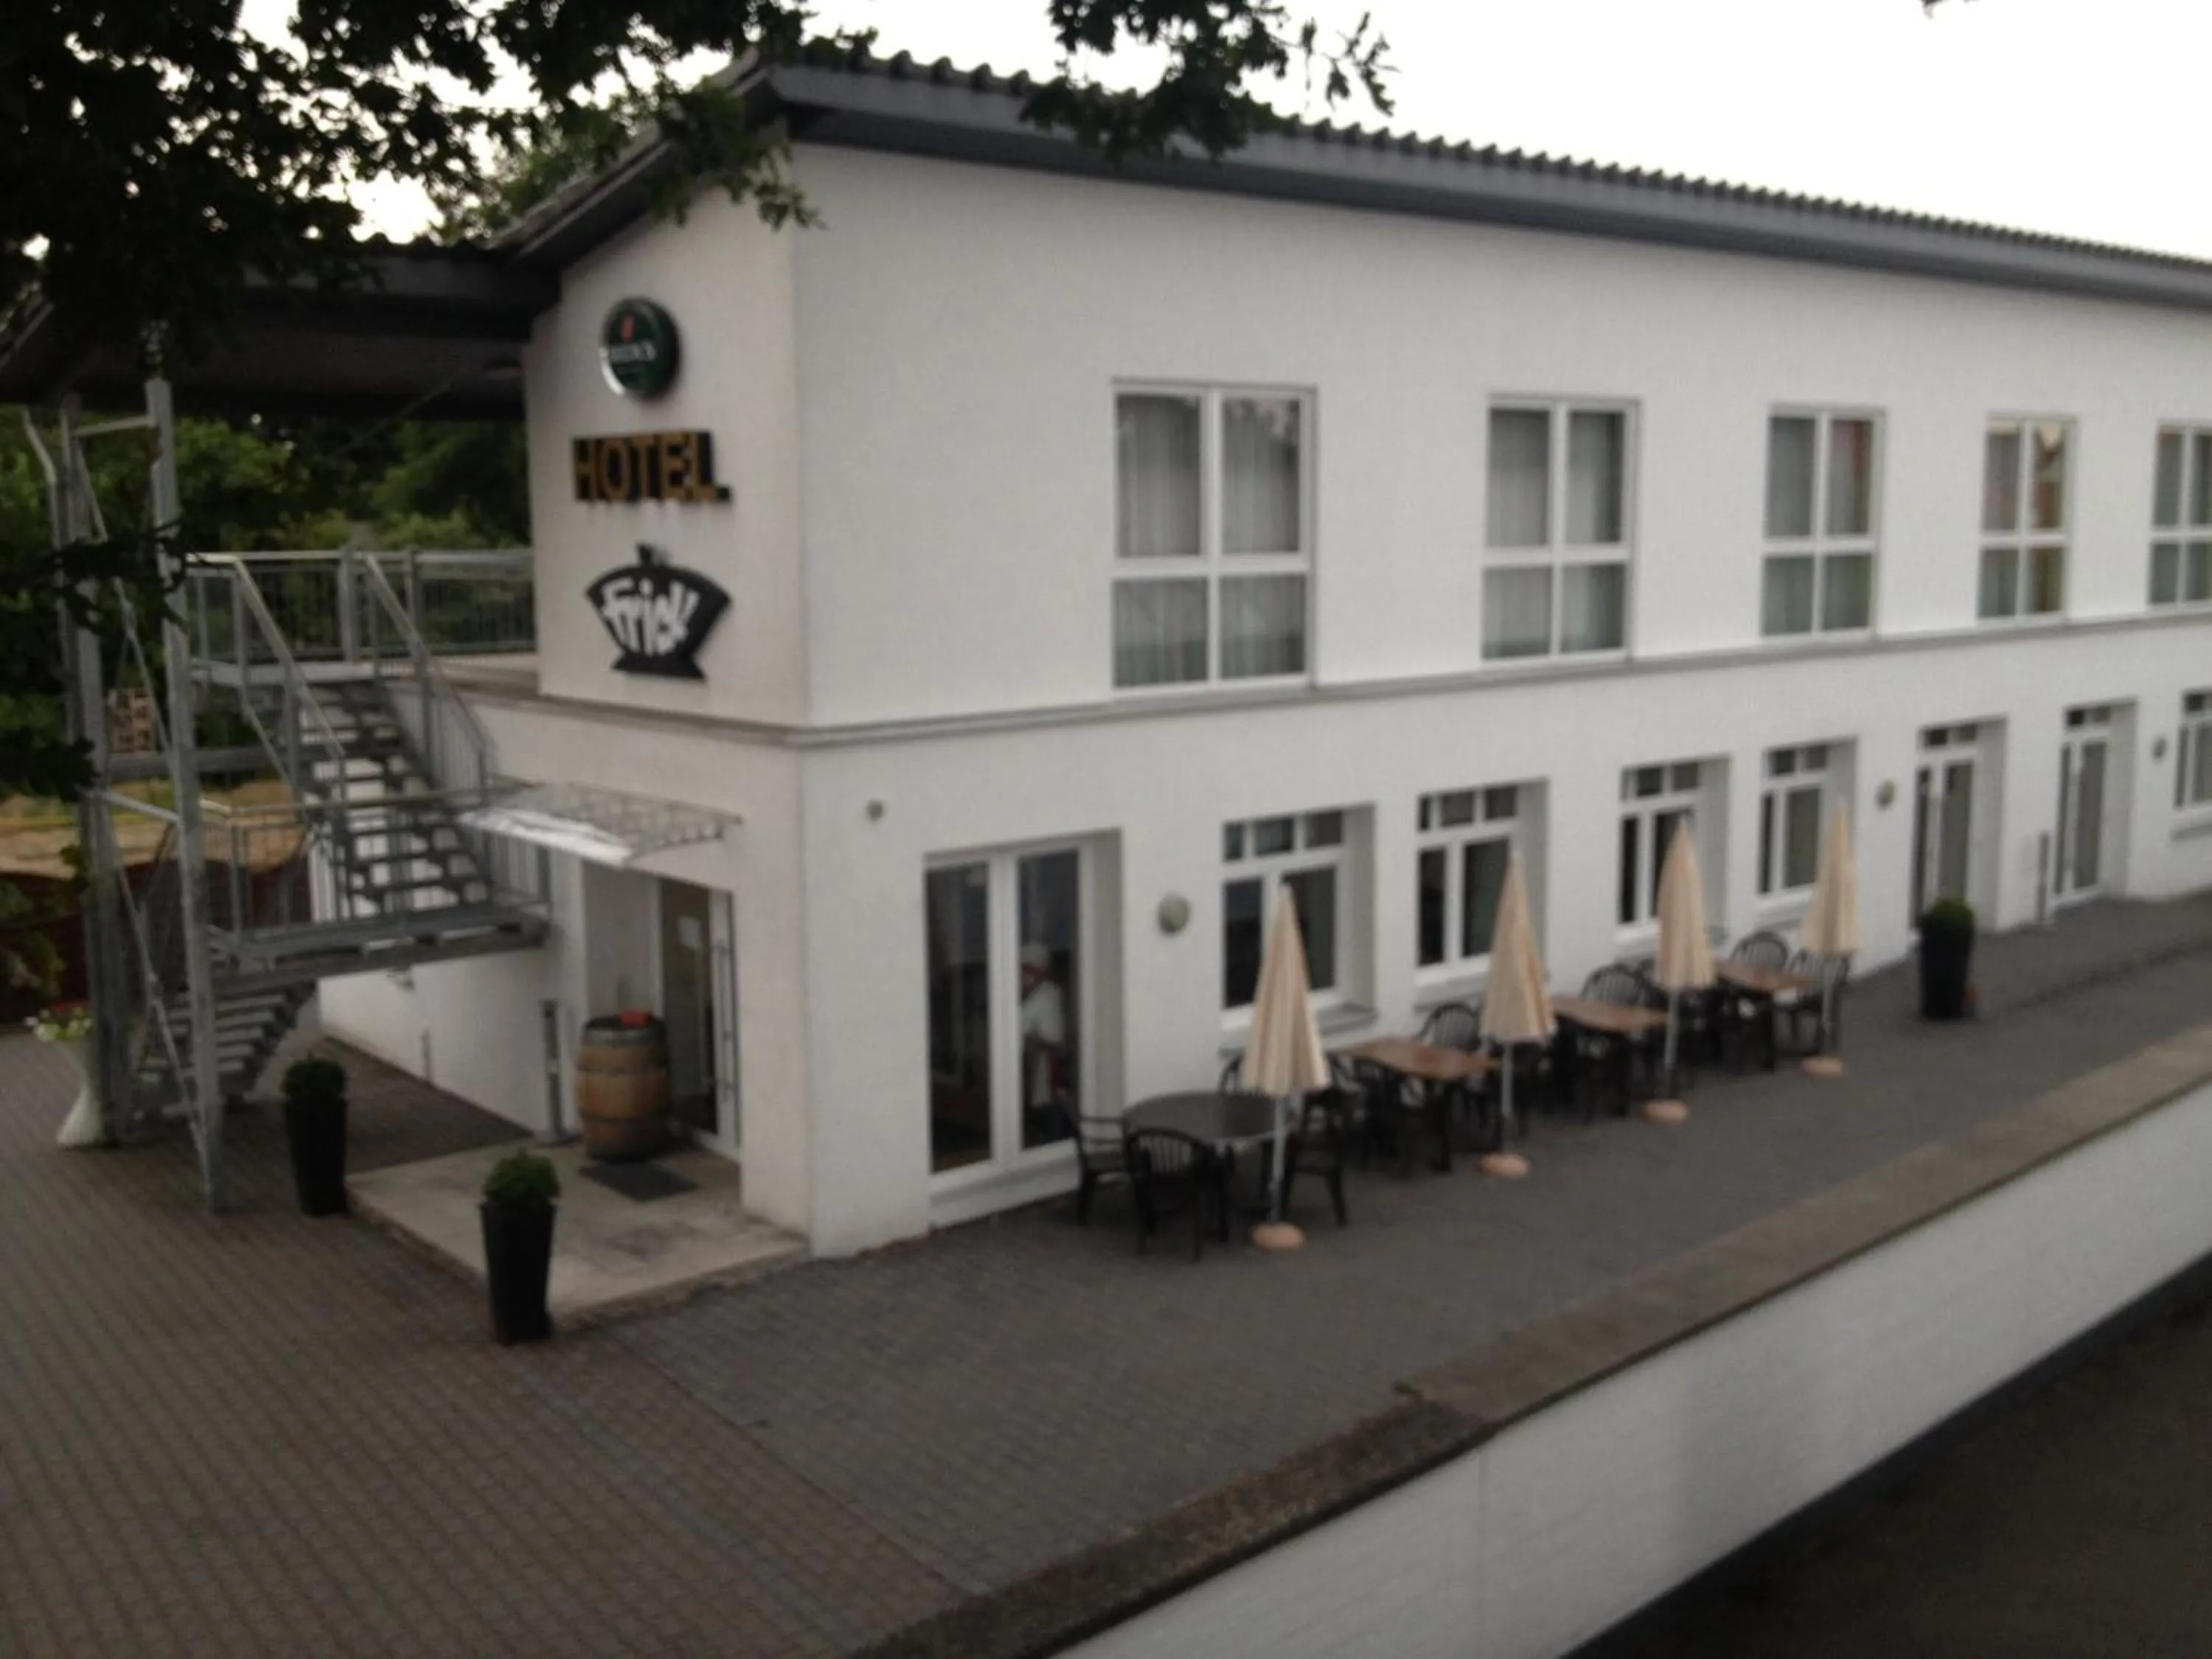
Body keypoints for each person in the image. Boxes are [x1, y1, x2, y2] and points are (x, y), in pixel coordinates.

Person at [1019, 942, 1068, 1115]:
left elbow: (1019, 1027)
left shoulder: (1048, 994)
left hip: (1051, 1068)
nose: (1024, 974)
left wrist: (1035, 1040)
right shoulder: (1036, 993)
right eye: (1023, 969)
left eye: (1029, 969)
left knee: (1052, 1114)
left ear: (1042, 971)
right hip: (1040, 1066)